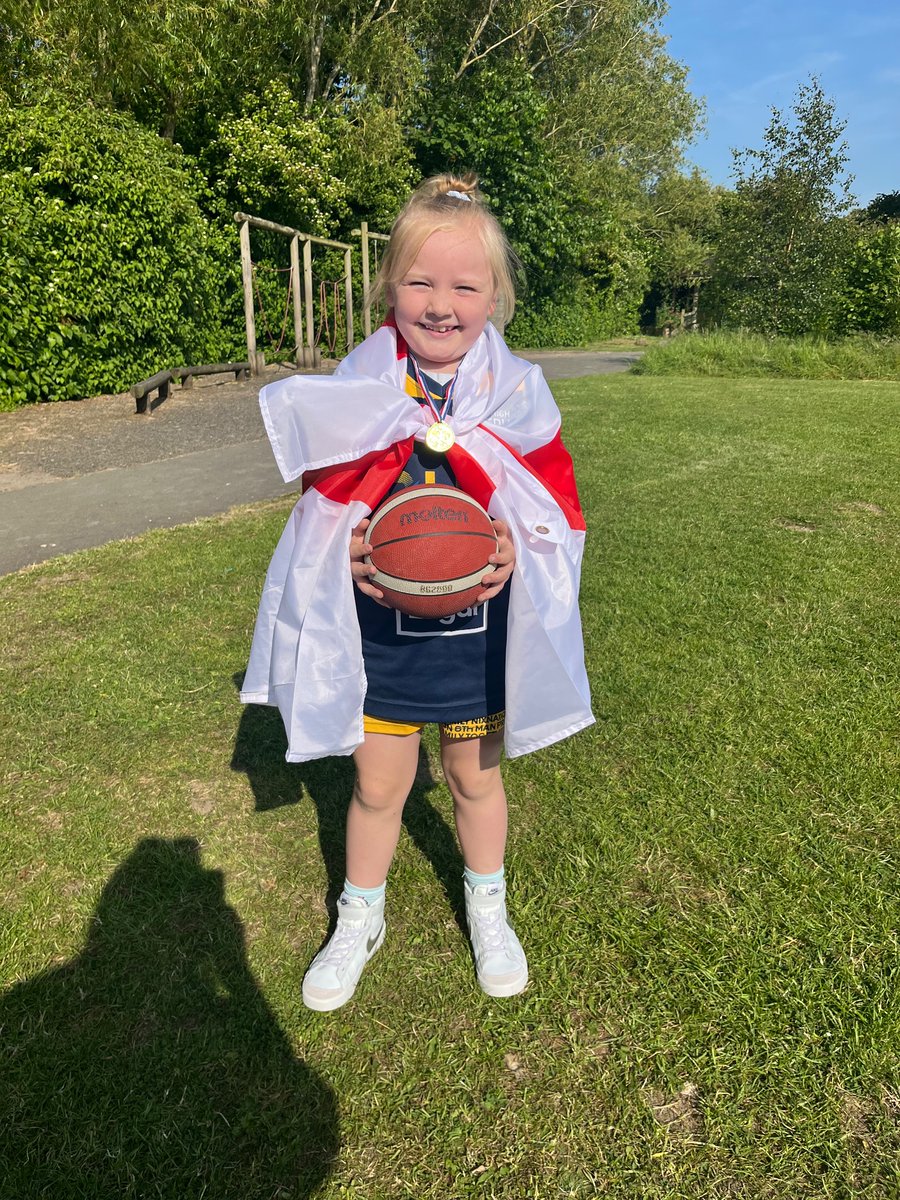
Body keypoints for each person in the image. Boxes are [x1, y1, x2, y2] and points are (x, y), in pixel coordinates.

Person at [241, 173, 593, 1012]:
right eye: (420, 282)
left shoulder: (516, 392)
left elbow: (550, 508)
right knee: (376, 787)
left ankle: (487, 904)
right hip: (380, 641)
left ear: (495, 297)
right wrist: (352, 552)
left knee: (475, 782)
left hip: (478, 640)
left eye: (465, 286)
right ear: (388, 287)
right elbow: (322, 513)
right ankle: (360, 914)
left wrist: (514, 548)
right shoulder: (359, 387)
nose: (441, 304)